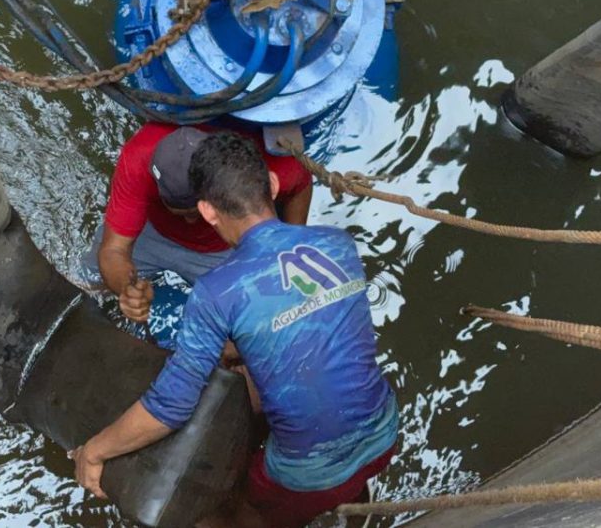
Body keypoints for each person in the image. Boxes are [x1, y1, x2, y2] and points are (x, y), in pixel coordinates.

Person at [71, 132, 399, 528]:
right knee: (335, 468)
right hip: (383, 433)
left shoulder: (218, 290)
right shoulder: (338, 244)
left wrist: (95, 451)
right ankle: (353, 503)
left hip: (305, 475)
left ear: (208, 212)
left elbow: (170, 406)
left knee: (228, 514)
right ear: (273, 185)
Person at [81, 122, 313, 325]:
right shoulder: (139, 157)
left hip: (221, 248)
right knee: (91, 283)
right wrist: (127, 291)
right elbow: (114, 249)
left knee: (253, 323)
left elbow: (300, 182)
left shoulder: (256, 165)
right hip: (153, 233)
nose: (190, 222)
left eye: (196, 212)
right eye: (178, 212)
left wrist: (288, 244)